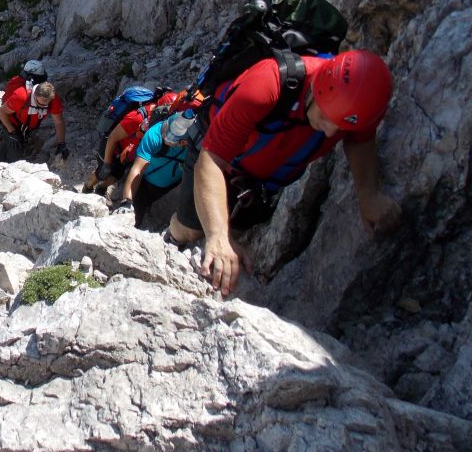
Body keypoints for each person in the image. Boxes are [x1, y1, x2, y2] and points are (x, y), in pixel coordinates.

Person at [168, 50, 401, 296]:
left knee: (233, 233)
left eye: (341, 127)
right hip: (215, 153)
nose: (331, 133)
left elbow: (360, 141)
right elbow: (211, 159)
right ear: (318, 90)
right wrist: (217, 236)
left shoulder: (356, 106)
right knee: (193, 228)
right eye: (326, 117)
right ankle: (171, 238)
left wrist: (368, 194)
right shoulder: (266, 85)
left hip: (259, 182)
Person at [85, 90, 179, 195]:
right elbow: (112, 137)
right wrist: (107, 164)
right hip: (111, 146)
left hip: (127, 152)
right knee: (102, 172)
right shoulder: (137, 118)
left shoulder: (158, 121)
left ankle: (101, 189)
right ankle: (87, 187)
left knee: (118, 174)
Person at [115, 110, 192, 228]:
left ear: (183, 143)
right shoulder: (155, 134)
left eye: (171, 140)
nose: (166, 138)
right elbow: (137, 170)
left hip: (168, 188)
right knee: (135, 215)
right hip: (143, 183)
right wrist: (127, 202)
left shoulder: (195, 148)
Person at [0, 77, 67, 163]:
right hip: (11, 122)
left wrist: (61, 144)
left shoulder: (53, 100)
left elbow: (58, 122)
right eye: (39, 103)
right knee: (14, 153)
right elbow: (2, 112)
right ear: (34, 95)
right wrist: (12, 132)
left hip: (28, 126)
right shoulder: (21, 96)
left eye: (45, 104)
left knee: (9, 146)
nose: (42, 107)